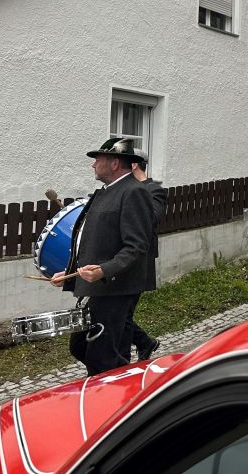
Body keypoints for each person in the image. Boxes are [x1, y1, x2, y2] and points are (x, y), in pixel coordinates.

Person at [51, 137, 155, 376]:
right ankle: (123, 381)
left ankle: (116, 390)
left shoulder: (134, 192)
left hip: (116, 288)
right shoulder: (106, 193)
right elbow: (95, 243)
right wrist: (70, 274)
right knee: (80, 346)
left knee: (102, 357)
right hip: (100, 287)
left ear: (115, 163)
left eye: (97, 159)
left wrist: (104, 270)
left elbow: (137, 246)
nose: (93, 164)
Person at [127, 154, 164, 361]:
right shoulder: (124, 189)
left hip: (141, 261)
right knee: (119, 314)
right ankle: (144, 342)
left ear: (134, 165)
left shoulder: (153, 190)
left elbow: (153, 218)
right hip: (122, 260)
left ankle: (142, 344)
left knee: (122, 314)